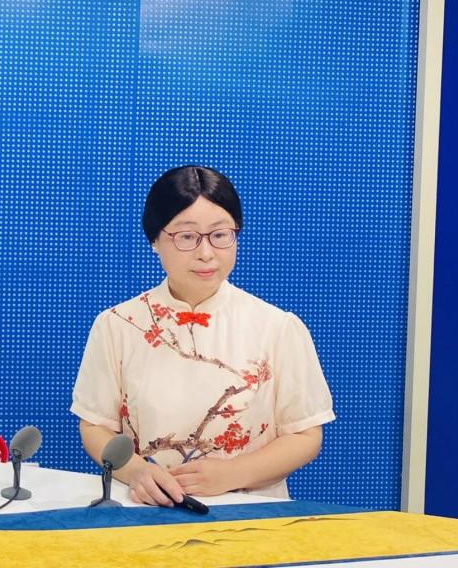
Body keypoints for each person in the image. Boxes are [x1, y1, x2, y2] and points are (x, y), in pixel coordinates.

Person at [71, 165, 334, 505]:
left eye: (220, 235)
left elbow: (305, 434)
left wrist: (235, 473)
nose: (206, 253)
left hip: (251, 511)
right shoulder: (119, 325)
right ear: (154, 240)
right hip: (148, 507)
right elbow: (95, 426)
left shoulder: (277, 327)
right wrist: (136, 472)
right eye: (186, 237)